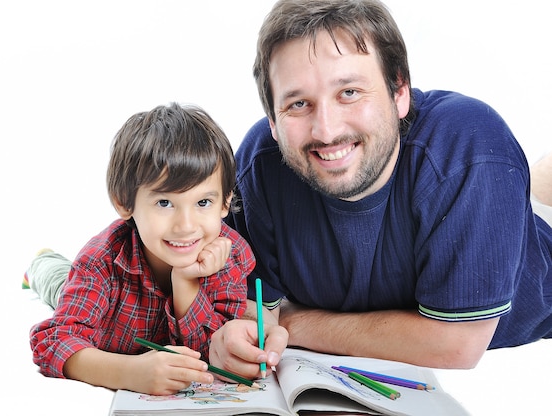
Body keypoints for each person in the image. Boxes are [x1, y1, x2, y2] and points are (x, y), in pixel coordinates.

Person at [208, 0, 552, 377]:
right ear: (272, 119)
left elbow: (455, 345)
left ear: (400, 90)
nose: (326, 130)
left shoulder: (470, 148)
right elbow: (256, 313)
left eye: (350, 92)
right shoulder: (260, 166)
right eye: (299, 103)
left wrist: (293, 323)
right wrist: (235, 337)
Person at [27, 102, 256, 395]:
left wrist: (185, 281)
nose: (186, 226)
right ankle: (41, 261)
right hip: (91, 304)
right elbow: (54, 341)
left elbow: (208, 350)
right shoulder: (101, 260)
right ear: (124, 202)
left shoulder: (230, 254)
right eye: (164, 203)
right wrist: (130, 373)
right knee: (54, 279)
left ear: (225, 202)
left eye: (203, 203)